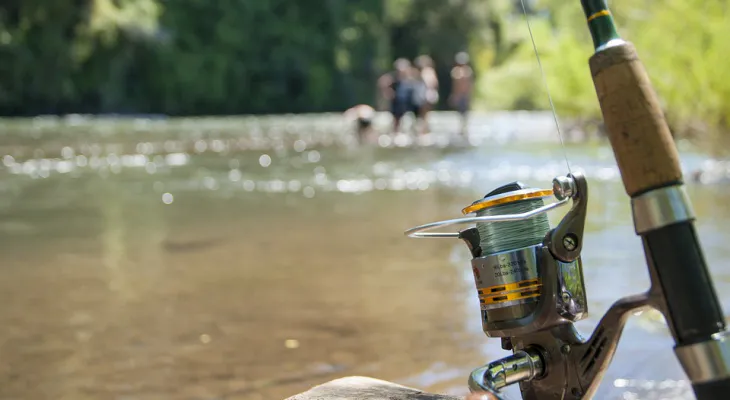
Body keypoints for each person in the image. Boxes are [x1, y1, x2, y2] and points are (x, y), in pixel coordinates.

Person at [378, 58, 419, 134]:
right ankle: (396, 132)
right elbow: (383, 83)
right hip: (397, 101)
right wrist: (388, 93)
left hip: (409, 101)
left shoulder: (411, 78)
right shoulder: (393, 78)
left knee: (415, 118)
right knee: (396, 118)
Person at [449, 51, 474, 138]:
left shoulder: (458, 72)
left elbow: (457, 85)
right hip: (463, 95)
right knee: (462, 112)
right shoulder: (467, 71)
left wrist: (455, 95)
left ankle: (463, 128)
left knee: (463, 112)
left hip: (462, 95)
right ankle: (463, 128)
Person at [413, 55, 439, 134]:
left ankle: (424, 130)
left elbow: (430, 82)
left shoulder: (427, 71)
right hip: (429, 93)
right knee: (426, 113)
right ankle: (425, 129)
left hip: (426, 93)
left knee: (424, 113)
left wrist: (428, 89)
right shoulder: (431, 71)